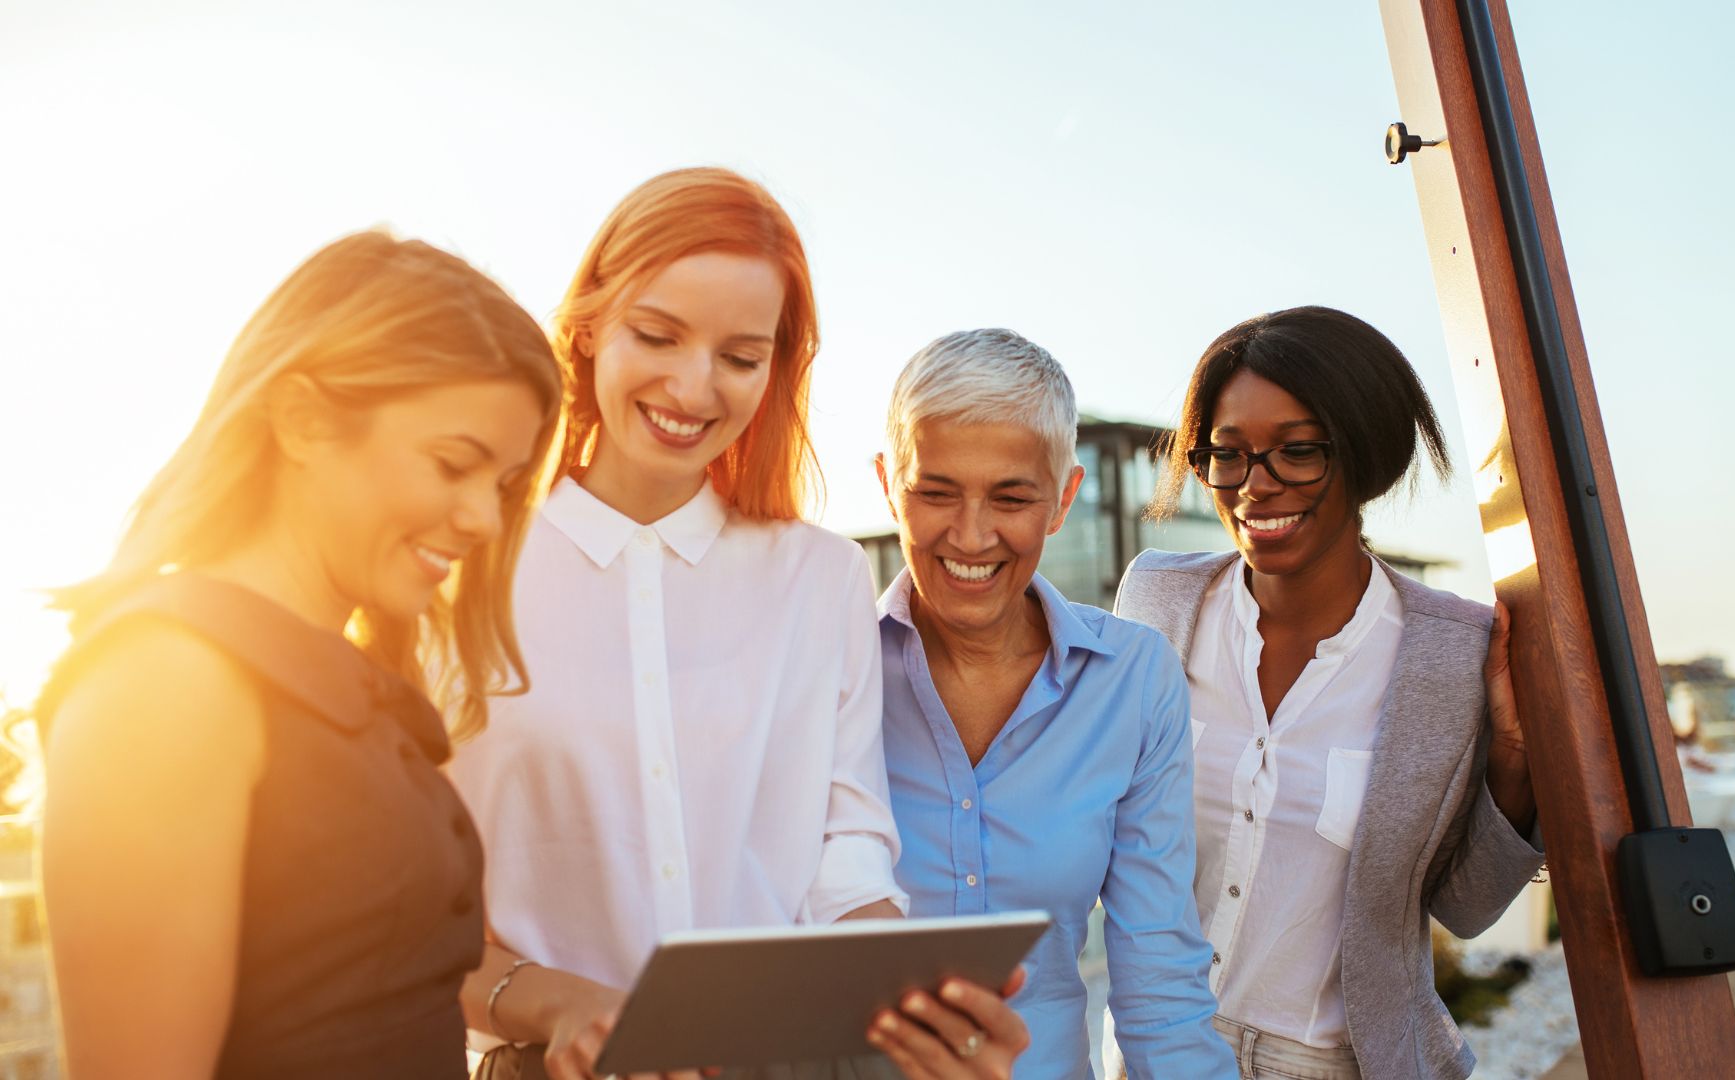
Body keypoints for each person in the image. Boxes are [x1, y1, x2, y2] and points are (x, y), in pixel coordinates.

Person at [447, 169, 1026, 1080]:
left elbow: (847, 860)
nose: (693, 386)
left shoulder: (820, 577)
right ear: (590, 324)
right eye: (657, 334)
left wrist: (921, 1008)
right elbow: (408, 922)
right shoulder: (463, 564)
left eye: (740, 355)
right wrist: (569, 1007)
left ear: (777, 368)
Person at [35, 231, 563, 1080]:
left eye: (502, 485)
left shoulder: (356, 685)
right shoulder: (168, 681)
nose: (484, 520)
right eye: (453, 464)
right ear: (303, 419)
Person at [1116, 306, 1544, 1080]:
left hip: (1337, 1062)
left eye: (1298, 452)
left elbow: (1466, 908)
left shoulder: (1450, 651)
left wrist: (1512, 756)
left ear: (1365, 455)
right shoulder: (1156, 602)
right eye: (1229, 455)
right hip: (1159, 1051)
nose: (1256, 486)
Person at [874, 329, 1237, 1079]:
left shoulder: (1133, 682)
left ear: (1064, 497)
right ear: (887, 485)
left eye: (1011, 497)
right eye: (935, 492)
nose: (971, 536)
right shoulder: (826, 668)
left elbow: (1160, 982)